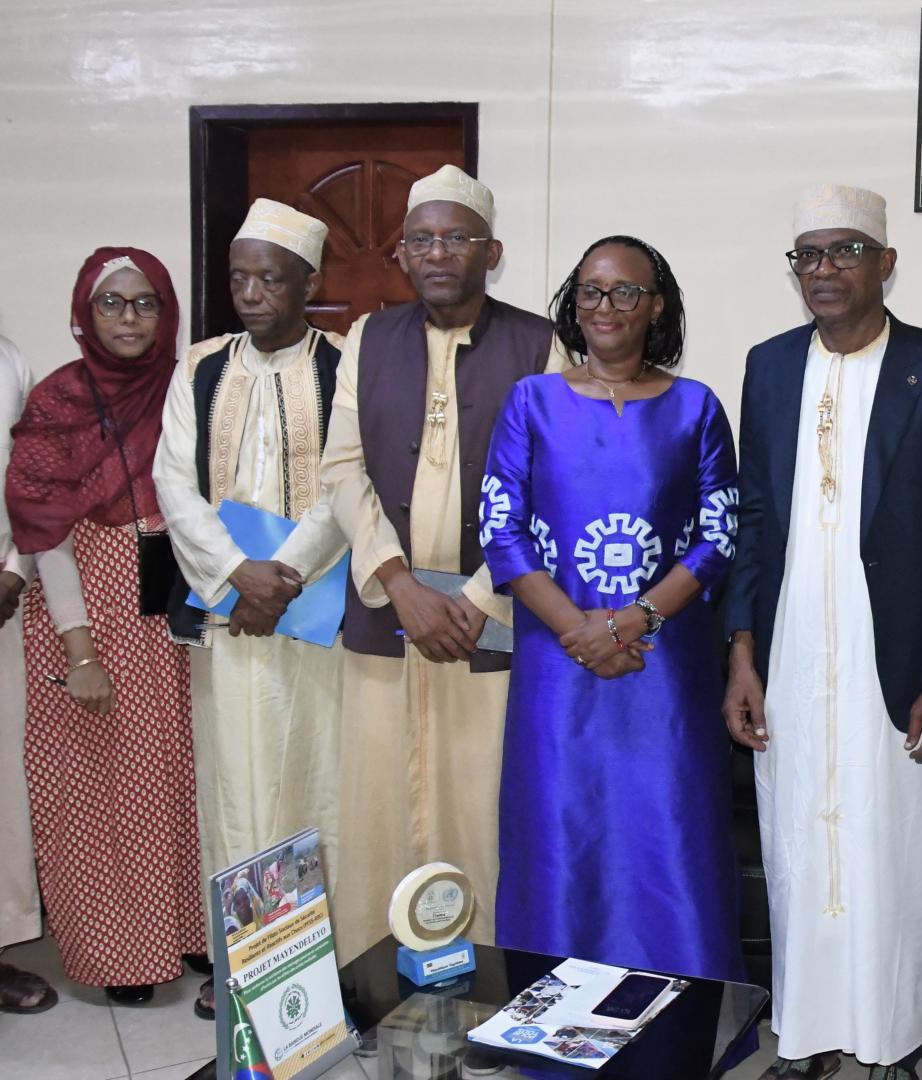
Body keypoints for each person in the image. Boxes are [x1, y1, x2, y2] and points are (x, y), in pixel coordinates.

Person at [723, 184, 922, 1080]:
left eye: (843, 251)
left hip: (899, 654)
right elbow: (752, 519)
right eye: (807, 254)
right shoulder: (766, 366)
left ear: (884, 263)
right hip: (793, 644)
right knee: (797, 840)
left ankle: (895, 1036)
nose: (823, 270)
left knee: (895, 849)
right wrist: (741, 654)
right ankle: (806, 1035)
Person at [288, 165, 560, 957]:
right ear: (402, 254)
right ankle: (378, 976)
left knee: (479, 807)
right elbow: (341, 468)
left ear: (492, 251)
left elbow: (550, 486)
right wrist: (396, 582)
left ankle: (482, 983)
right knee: (378, 803)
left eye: (456, 238)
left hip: (492, 620)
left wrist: (477, 598)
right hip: (386, 614)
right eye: (421, 240)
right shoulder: (371, 337)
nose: (437, 253)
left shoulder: (539, 343)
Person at [483, 235, 743, 981]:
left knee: (666, 835)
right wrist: (578, 630)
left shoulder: (695, 408)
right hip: (557, 672)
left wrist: (634, 620)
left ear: (655, 306)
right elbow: (500, 530)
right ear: (574, 302)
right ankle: (551, 1030)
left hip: (661, 671)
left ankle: (680, 1027)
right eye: (592, 291)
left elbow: (718, 535)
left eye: (626, 291)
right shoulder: (530, 403)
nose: (607, 306)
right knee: (561, 837)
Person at [153, 199, 350, 1019]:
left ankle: (319, 964)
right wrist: (238, 573)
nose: (252, 292)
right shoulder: (202, 365)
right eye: (239, 277)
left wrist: (288, 574)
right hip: (229, 612)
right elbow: (173, 479)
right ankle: (246, 964)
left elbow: (350, 478)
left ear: (309, 282)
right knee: (234, 785)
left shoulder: (344, 362)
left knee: (320, 781)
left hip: (318, 616)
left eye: (270, 277)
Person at [4, 248, 206, 1004]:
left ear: (166, 311)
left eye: (145, 302)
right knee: (102, 788)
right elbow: (42, 527)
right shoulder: (59, 399)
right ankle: (121, 954)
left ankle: (186, 932)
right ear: (84, 313)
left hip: (172, 611)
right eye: (111, 304)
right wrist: (79, 648)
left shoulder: (185, 389)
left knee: (178, 779)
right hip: (87, 616)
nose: (129, 318)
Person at [0, 332, 55, 1015]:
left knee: (1, 788)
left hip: (1, 599)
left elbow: (30, 483)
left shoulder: (10, 362)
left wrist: (15, 571)